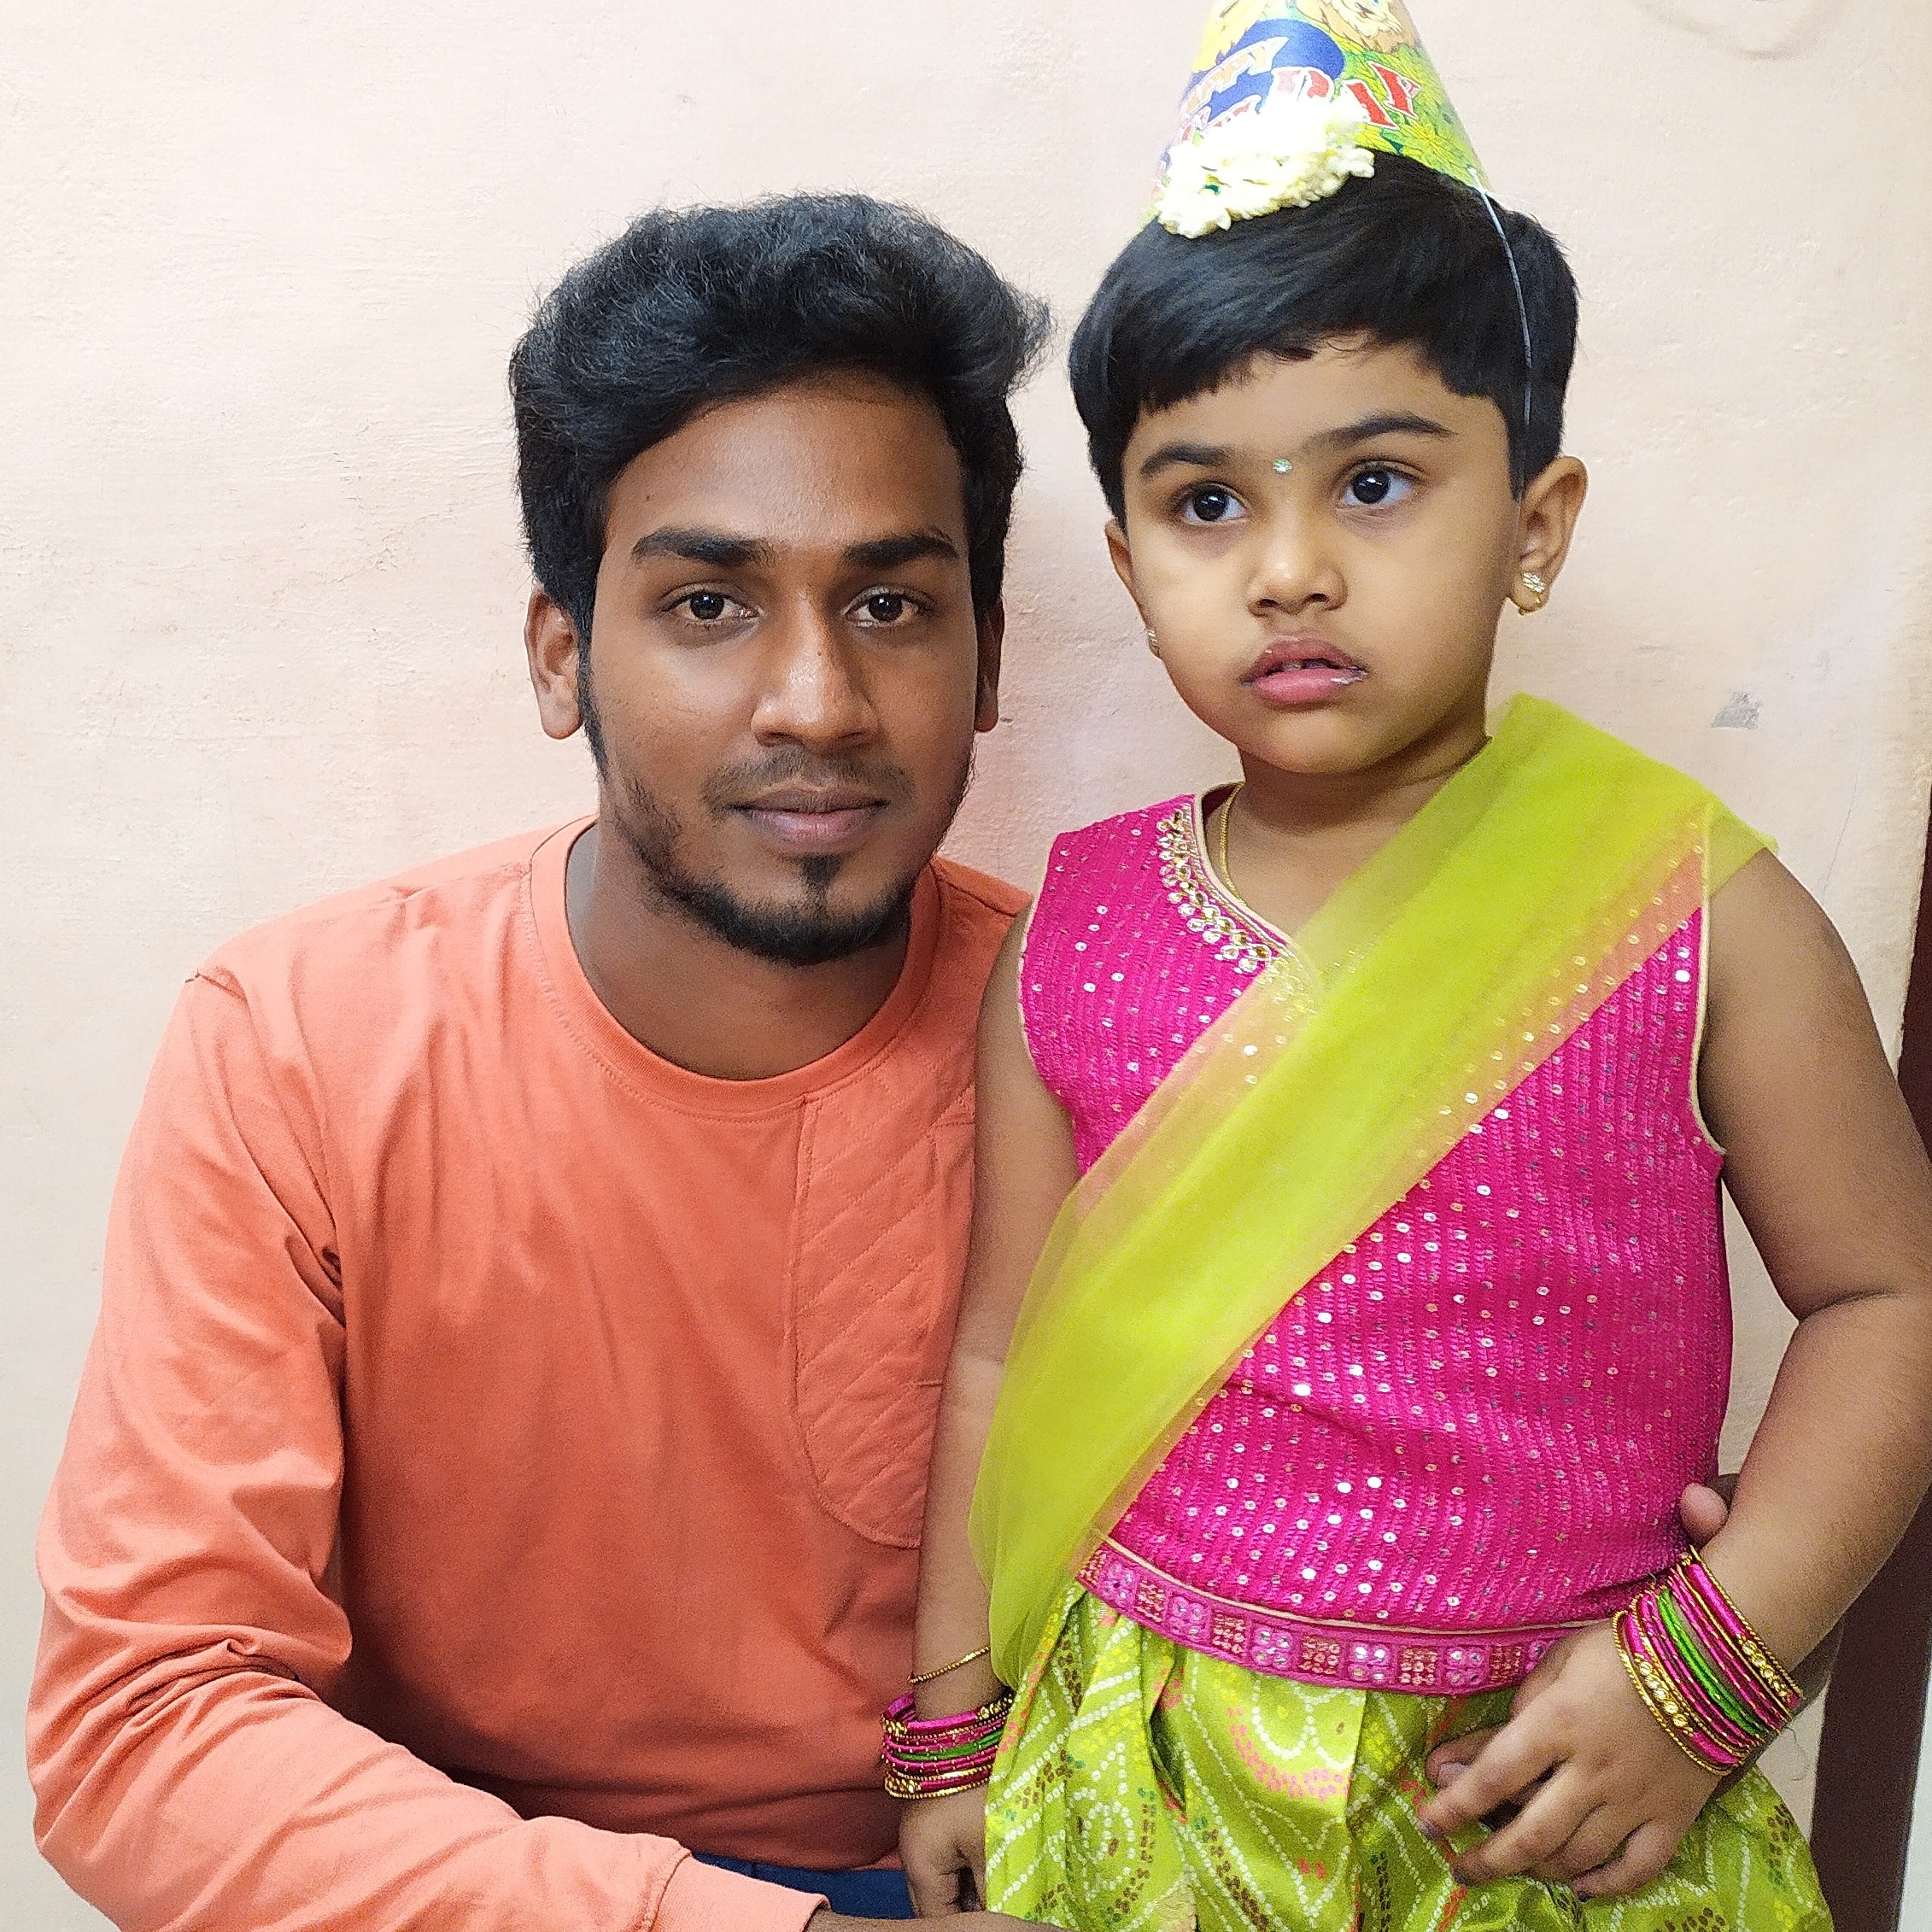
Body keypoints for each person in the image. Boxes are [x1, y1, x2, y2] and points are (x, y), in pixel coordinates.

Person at [899, 9, 1932, 1929]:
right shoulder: (1081, 927)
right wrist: (951, 1724)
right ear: (1128, 570)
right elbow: (998, 1357)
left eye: (1374, 483)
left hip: (1553, 1784)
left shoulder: (1695, 914)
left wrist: (1707, 1672)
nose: (1288, 568)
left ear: (1534, 525)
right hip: (1140, 1781)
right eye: (1208, 501)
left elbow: (1894, 1296)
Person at [27, 193, 1057, 1932]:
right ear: (562, 653)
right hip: (466, 1885)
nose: (816, 700)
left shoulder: (1116, 1035)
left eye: (891, 602)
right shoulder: (302, 1044)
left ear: (989, 660)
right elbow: (140, 1731)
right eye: (710, 604)